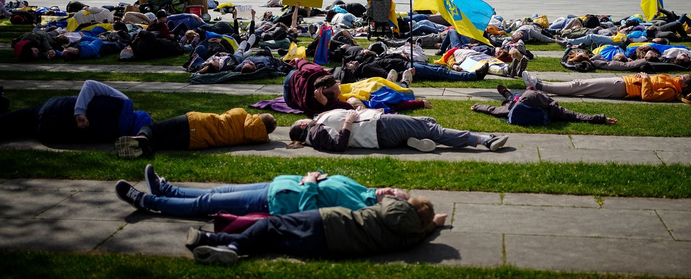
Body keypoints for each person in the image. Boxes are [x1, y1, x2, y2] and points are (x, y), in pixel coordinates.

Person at [184, 195, 446, 265]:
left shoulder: (390, 205)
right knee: (272, 241)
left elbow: (392, 199)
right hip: (330, 247)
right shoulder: (409, 238)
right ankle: (211, 239)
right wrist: (433, 224)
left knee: (270, 224)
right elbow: (421, 234)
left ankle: (232, 246)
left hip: (328, 221)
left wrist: (430, 218)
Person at [115, 165, 409, 217]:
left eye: (394, 195)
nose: (391, 189)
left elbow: (311, 213)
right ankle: (167, 189)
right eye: (395, 188)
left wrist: (308, 184)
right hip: (279, 186)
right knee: (217, 191)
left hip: (276, 201)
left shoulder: (358, 209)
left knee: (207, 203)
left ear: (389, 205)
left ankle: (148, 201)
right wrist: (315, 176)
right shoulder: (363, 190)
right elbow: (323, 184)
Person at [288, 108, 509, 153]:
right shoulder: (315, 133)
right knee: (433, 129)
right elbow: (338, 145)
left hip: (377, 125)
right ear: (303, 126)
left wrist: (359, 111)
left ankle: (412, 141)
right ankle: (484, 140)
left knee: (426, 121)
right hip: (378, 128)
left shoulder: (317, 126)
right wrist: (349, 120)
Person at [0, 79, 151, 144]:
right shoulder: (114, 135)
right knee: (16, 130)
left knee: (13, 119)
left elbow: (90, 84)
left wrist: (80, 112)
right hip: (51, 133)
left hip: (59, 107)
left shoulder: (123, 102)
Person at [114, 108, 277, 158]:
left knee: (153, 128)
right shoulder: (255, 140)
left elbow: (227, 114)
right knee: (161, 143)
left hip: (194, 121)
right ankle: (144, 150)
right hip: (194, 142)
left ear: (257, 116)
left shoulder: (241, 113)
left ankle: (142, 138)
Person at [472, 84, 618, 125]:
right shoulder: (553, 109)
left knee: (513, 98)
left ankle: (508, 94)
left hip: (515, 102)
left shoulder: (515, 108)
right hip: (524, 101)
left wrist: (477, 106)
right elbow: (577, 116)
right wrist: (601, 118)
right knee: (514, 98)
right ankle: (509, 94)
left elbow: (494, 109)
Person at [523, 71, 691, 102]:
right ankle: (540, 84)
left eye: (684, 77)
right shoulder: (671, 82)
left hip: (622, 88)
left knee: (579, 86)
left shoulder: (671, 91)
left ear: (685, 84)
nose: (681, 76)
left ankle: (539, 85)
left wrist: (645, 79)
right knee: (580, 85)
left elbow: (648, 96)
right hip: (623, 83)